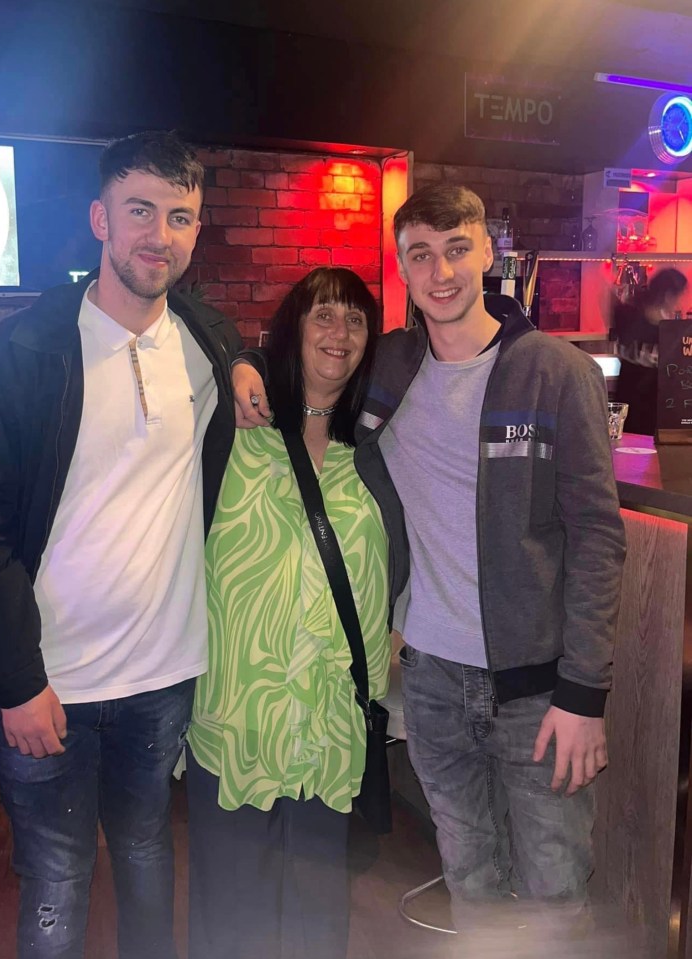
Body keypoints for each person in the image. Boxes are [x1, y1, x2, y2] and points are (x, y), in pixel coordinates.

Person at [233, 184, 626, 937]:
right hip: (435, 681)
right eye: (421, 255)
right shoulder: (391, 363)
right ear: (403, 268)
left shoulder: (554, 370)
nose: (440, 271)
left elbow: (599, 538)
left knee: (554, 887)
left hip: (539, 687)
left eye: (455, 249)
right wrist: (245, 365)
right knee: (471, 877)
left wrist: (585, 695)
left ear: (487, 251)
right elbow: (304, 354)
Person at [0, 130, 241, 959]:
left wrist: (244, 355)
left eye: (181, 216)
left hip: (163, 675)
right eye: (139, 210)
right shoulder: (21, 353)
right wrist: (16, 677)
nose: (160, 235)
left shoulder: (205, 350)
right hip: (49, 679)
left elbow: (223, 329)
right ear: (99, 219)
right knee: (57, 874)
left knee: (147, 851)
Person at [187, 268, 407, 959]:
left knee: (318, 915)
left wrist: (396, 630)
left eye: (354, 320)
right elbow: (189, 322)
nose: (339, 334)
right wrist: (244, 364)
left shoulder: (374, 449)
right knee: (230, 911)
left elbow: (401, 552)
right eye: (323, 315)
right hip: (238, 711)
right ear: (292, 328)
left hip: (330, 722)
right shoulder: (232, 430)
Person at [614, 267, 689, 435]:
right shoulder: (668, 330)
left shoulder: (626, 313)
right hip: (648, 408)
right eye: (680, 296)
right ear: (669, 295)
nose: (680, 302)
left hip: (630, 403)